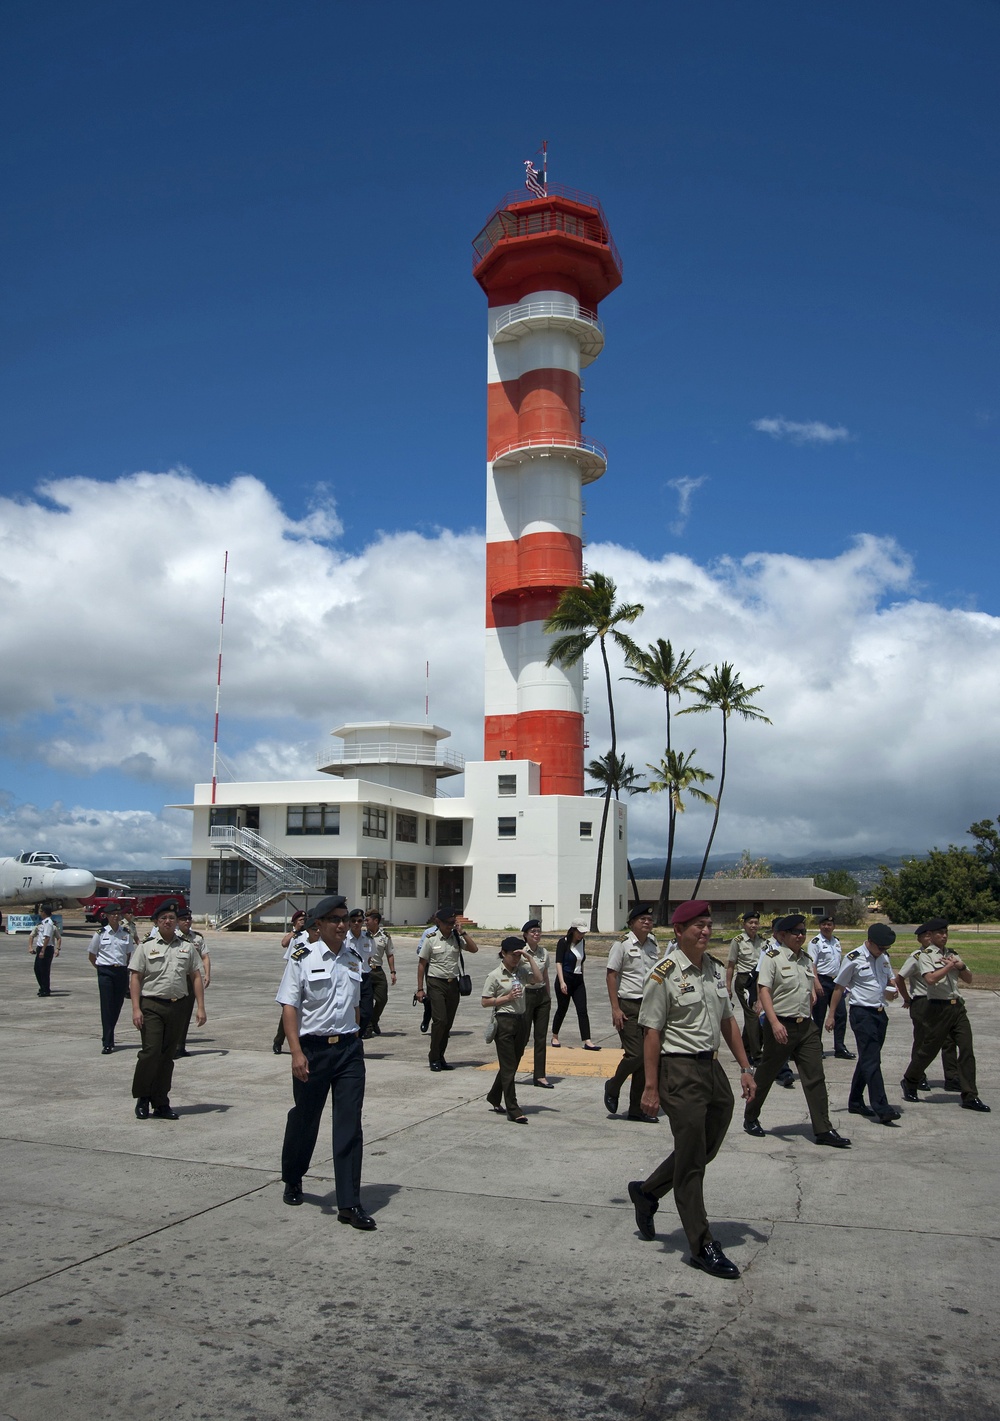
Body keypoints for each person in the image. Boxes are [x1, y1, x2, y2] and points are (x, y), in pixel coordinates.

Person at [626, 900, 756, 1280]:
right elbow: (651, 1033)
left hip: (712, 1068)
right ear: (679, 932)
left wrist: (746, 1068)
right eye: (696, 925)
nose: (705, 930)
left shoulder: (715, 970)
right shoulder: (662, 973)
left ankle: (648, 1193)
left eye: (708, 924)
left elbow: (729, 1020)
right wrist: (650, 1088)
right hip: (679, 1070)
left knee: (702, 1148)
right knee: (693, 1160)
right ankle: (701, 1244)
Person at [277, 895, 375, 1228]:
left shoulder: (354, 957)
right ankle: (293, 1174)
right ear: (318, 924)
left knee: (349, 1125)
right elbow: (289, 1005)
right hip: (313, 1051)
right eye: (334, 919)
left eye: (345, 918)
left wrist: (357, 1036)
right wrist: (295, 1052)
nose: (342, 925)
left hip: (348, 1051)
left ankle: (349, 1203)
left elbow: (356, 1005)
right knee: (306, 1119)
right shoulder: (302, 957)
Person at [742, 914, 851, 1149]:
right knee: (767, 1074)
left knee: (815, 1076)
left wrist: (812, 993)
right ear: (781, 935)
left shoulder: (806, 959)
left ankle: (823, 1128)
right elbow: (764, 991)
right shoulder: (772, 958)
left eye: (803, 931)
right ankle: (750, 1116)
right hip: (781, 1025)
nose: (801, 935)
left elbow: (808, 986)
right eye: (795, 932)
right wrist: (773, 1023)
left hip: (807, 1027)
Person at [899, 920, 990, 1112]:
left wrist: (961, 966)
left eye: (946, 932)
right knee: (928, 1050)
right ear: (930, 936)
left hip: (957, 1008)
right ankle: (910, 1079)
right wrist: (948, 968)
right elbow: (930, 979)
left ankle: (970, 1095)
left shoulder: (953, 954)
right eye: (940, 933)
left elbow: (970, 979)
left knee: (966, 1049)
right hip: (937, 1009)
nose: (944, 936)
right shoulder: (924, 956)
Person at [128, 901, 206, 1120]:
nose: (168, 921)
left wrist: (200, 1007)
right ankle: (143, 1097)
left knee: (167, 1056)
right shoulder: (146, 946)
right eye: (163, 918)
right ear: (156, 922)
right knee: (151, 1053)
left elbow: (196, 976)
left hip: (178, 1006)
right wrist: (136, 1008)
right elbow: (135, 977)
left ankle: (161, 1102)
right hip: (152, 1005)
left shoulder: (187, 946)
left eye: (172, 918)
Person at [825, 923, 902, 1125]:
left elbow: (890, 982)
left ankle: (855, 1100)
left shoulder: (884, 958)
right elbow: (838, 988)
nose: (884, 951)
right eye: (881, 948)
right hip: (862, 1014)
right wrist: (831, 1015)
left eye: (886, 949)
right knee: (872, 1060)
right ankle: (882, 1107)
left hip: (880, 1013)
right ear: (870, 942)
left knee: (869, 1059)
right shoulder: (854, 958)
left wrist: (892, 991)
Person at [604, 904, 659, 1120]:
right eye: (642, 919)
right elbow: (611, 975)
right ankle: (613, 1085)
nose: (647, 922)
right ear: (631, 923)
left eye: (649, 920)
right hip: (628, 1005)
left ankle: (637, 1109)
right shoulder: (622, 945)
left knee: (647, 1059)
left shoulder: (653, 944)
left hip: (650, 1006)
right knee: (636, 1054)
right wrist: (615, 1008)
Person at [481, 937, 543, 1122]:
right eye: (513, 955)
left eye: (518, 955)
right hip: (505, 1021)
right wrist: (506, 998)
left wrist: (528, 958)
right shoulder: (494, 975)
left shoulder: (522, 971)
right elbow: (485, 1001)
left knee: (513, 1062)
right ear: (503, 954)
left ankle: (494, 1095)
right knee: (508, 1067)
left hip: (521, 1020)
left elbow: (538, 979)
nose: (516, 959)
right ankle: (513, 1109)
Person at [895, 920, 960, 1091]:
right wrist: (907, 998)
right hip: (923, 1001)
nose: (928, 939)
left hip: (941, 1001)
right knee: (923, 1040)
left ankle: (952, 1077)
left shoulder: (944, 955)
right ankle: (918, 1076)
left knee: (948, 1041)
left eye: (930, 935)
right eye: (925, 936)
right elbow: (900, 977)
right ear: (921, 939)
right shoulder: (916, 957)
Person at [416, 906, 478, 1071]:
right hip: (436, 983)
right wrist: (420, 989)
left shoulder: (456, 938)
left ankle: (441, 1056)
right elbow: (422, 964)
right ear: (439, 922)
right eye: (448, 923)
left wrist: (463, 932)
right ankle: (434, 1057)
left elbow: (474, 949)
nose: (451, 925)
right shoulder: (431, 938)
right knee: (440, 1020)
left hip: (453, 985)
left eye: (453, 922)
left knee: (447, 1024)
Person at [88, 904, 138, 1053]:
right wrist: (101, 969)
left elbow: (129, 953)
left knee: (117, 1006)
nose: (116, 916)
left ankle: (109, 1034)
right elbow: (92, 955)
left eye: (118, 913)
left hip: (121, 972)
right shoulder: (100, 933)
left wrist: (125, 969)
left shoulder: (126, 933)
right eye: (113, 914)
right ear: (107, 916)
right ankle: (108, 1041)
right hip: (105, 972)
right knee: (107, 1007)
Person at [809, 916, 854, 1060]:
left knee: (840, 1014)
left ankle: (839, 1047)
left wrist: (843, 982)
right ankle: (817, 1048)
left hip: (836, 982)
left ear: (833, 926)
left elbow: (838, 963)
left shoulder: (836, 941)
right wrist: (816, 984)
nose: (826, 927)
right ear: (819, 927)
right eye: (823, 924)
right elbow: (812, 965)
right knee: (819, 1017)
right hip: (821, 981)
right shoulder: (815, 943)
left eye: (829, 924)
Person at [551, 922, 600, 1050]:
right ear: (573, 930)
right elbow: (559, 963)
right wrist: (562, 982)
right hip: (565, 978)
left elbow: (581, 961)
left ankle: (587, 1040)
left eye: (583, 932)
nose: (581, 935)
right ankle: (554, 1036)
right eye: (579, 932)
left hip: (578, 979)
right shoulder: (563, 942)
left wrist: (582, 977)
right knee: (562, 1008)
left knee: (582, 1010)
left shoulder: (582, 942)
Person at [519, 919, 553, 1088]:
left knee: (540, 1037)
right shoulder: (520, 952)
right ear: (525, 935)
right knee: (522, 1036)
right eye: (533, 931)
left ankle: (540, 1075)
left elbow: (545, 975)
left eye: (538, 931)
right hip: (526, 995)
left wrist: (548, 996)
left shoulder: (544, 953)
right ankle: (509, 1069)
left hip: (541, 996)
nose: (536, 934)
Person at [726, 911, 762, 1064]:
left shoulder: (762, 941)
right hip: (744, 981)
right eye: (750, 923)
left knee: (753, 1016)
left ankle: (744, 1048)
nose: (753, 926)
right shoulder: (738, 941)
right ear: (744, 924)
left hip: (758, 981)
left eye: (756, 923)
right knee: (753, 1015)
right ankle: (757, 1054)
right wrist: (728, 987)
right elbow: (731, 965)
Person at [173, 908, 210, 1058]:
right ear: (177, 921)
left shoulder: (197, 938)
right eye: (183, 919)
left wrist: (207, 974)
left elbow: (205, 957)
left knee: (186, 1014)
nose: (187, 922)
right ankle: (172, 1046)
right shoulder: (173, 936)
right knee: (174, 1014)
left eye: (189, 919)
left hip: (191, 979)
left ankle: (180, 1046)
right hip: (177, 979)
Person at [274, 910, 308, 1053]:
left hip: (308, 975)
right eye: (300, 919)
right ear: (294, 922)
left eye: (304, 919)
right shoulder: (295, 936)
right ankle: (278, 1040)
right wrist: (295, 931)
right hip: (293, 975)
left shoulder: (311, 935)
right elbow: (284, 943)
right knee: (289, 1010)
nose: (302, 922)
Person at [364, 909, 396, 1038]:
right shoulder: (362, 936)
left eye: (368, 920)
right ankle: (368, 1027)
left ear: (376, 921)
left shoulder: (385, 936)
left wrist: (393, 972)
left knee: (382, 999)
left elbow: (390, 955)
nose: (365, 922)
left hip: (378, 971)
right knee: (366, 1001)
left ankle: (374, 1020)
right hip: (365, 971)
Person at [347, 909, 374, 1034]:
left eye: (359, 921)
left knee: (367, 1011)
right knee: (350, 1008)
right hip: (350, 977)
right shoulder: (344, 939)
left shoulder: (368, 938)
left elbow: (370, 957)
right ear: (349, 922)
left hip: (365, 976)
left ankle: (358, 1033)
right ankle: (352, 1035)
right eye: (353, 921)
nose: (356, 923)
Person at [29, 906, 61, 996]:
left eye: (41, 911)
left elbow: (47, 937)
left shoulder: (48, 923)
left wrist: (43, 950)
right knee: (37, 969)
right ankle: (43, 987)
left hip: (46, 948)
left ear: (44, 912)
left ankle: (46, 990)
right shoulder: (43, 923)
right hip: (41, 948)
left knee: (44, 970)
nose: (40, 913)